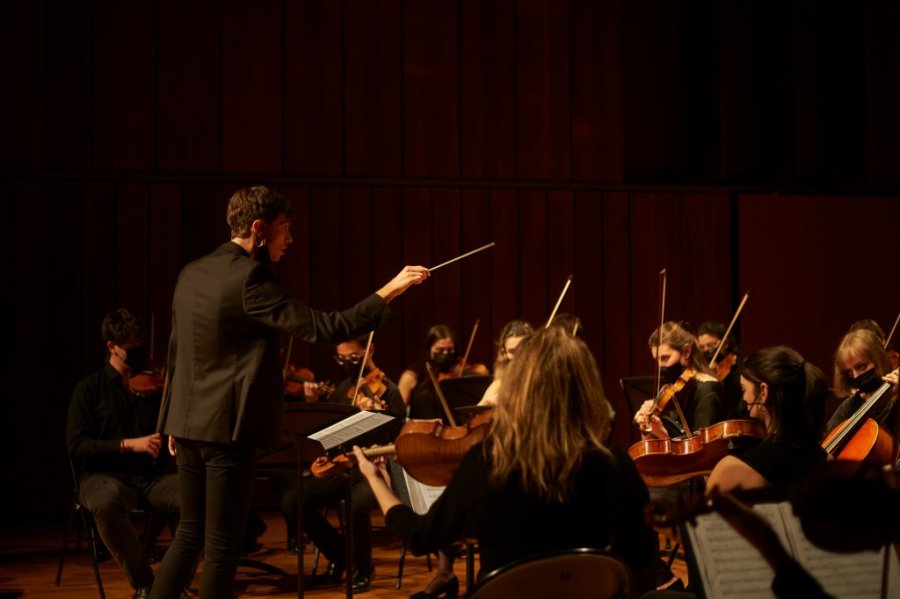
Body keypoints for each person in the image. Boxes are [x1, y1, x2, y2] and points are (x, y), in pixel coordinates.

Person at [149, 186, 428, 599]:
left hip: (186, 427)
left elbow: (177, 352)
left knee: (190, 534)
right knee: (222, 545)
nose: (290, 240)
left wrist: (170, 421)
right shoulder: (250, 278)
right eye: (285, 229)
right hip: (228, 431)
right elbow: (325, 328)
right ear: (259, 228)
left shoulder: (191, 272)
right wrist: (389, 291)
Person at [354, 326, 661, 594]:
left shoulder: (489, 462)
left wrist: (376, 480)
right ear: (588, 389)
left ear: (517, 387)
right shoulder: (616, 465)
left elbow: (420, 537)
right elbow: (641, 555)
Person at [66, 309, 180, 599]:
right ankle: (145, 583)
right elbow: (76, 446)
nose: (139, 353)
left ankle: (172, 579)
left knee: (199, 492)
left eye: (140, 346)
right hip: (103, 476)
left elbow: (165, 429)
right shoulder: (89, 389)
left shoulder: (149, 388)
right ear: (111, 347)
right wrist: (128, 444)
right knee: (106, 501)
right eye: (131, 348)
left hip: (149, 477)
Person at [280, 335, 406, 591]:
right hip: (344, 465)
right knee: (293, 501)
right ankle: (339, 554)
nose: (347, 363)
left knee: (356, 506)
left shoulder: (389, 391)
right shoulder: (342, 389)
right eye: (341, 358)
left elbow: (397, 435)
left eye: (353, 358)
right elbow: (328, 431)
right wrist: (312, 404)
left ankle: (363, 568)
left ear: (369, 349)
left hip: (375, 468)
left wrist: (372, 414)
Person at [706, 346, 829, 493]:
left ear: (763, 392)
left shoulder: (732, 470)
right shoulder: (829, 462)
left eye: (744, 390)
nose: (743, 398)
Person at [634, 322, 724, 441]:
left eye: (665, 358)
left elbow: (701, 449)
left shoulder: (707, 388)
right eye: (657, 360)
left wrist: (663, 434)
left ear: (686, 352)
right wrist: (647, 427)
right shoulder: (676, 388)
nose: (660, 366)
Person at [826, 329, 899, 448]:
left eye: (861, 367)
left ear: (878, 360)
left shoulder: (896, 395)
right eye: (849, 372)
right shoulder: (850, 406)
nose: (855, 376)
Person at [399, 325, 489, 421]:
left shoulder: (459, 374)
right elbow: (399, 418)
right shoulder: (411, 377)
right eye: (440, 350)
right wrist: (427, 422)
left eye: (450, 350)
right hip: (420, 433)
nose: (445, 354)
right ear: (429, 350)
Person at [477, 319, 533, 406]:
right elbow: (474, 417)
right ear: (504, 353)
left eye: (523, 349)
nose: (518, 356)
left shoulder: (541, 378)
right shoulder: (500, 383)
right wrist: (486, 402)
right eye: (512, 351)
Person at [696, 320, 744, 420]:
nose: (706, 350)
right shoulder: (707, 369)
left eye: (710, 345)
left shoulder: (738, 370)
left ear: (725, 343)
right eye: (702, 347)